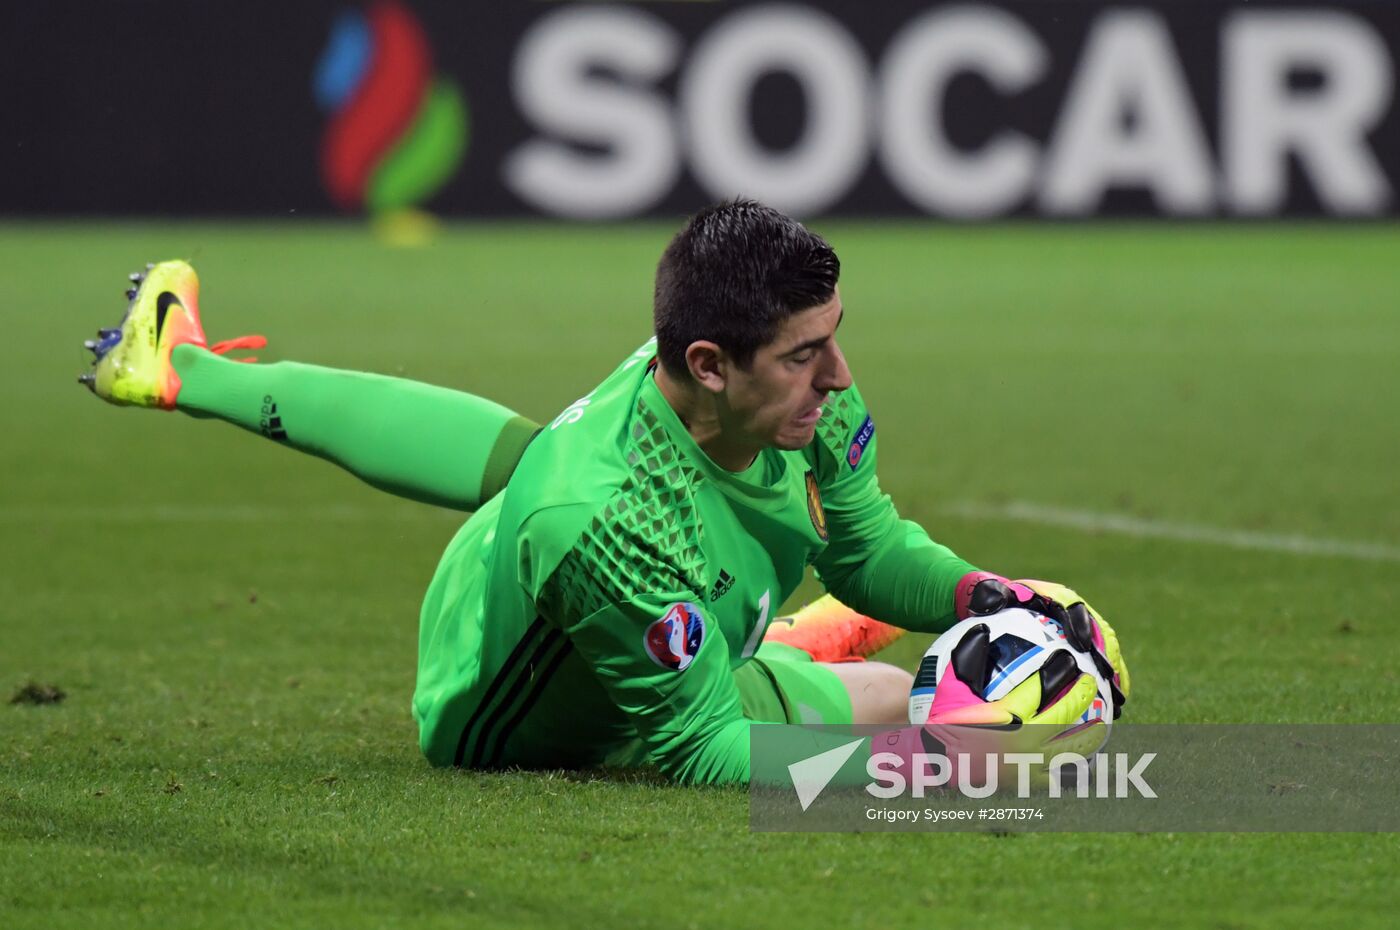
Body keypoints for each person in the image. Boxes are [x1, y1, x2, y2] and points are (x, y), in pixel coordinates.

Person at [80, 201, 1128, 785]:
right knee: (897, 699)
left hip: (577, 568)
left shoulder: (767, 392)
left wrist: (978, 596)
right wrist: (943, 759)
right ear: (710, 364)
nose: (840, 374)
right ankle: (787, 651)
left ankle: (186, 371)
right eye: (807, 353)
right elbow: (700, 747)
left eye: (836, 335)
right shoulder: (606, 515)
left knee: (536, 463)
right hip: (516, 711)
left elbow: (864, 547)